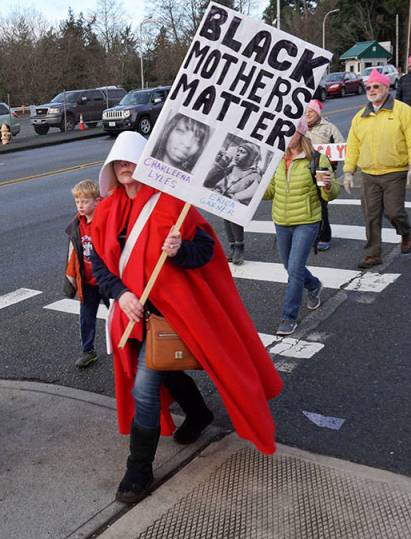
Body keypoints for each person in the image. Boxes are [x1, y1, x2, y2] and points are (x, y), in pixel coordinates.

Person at [88, 132, 281, 504]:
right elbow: (99, 262)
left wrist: (179, 250)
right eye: (119, 162)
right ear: (111, 168)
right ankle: (197, 412)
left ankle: (138, 468)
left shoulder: (173, 204)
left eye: (132, 159)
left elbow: (206, 250)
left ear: (145, 163)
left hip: (171, 312)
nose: (126, 166)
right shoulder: (108, 210)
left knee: (144, 385)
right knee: (163, 369)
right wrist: (121, 294)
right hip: (132, 310)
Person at [342, 68, 411, 269]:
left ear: (386, 87)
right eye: (368, 87)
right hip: (369, 174)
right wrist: (348, 171)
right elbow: (353, 145)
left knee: (394, 212)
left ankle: (405, 232)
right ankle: (372, 254)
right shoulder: (360, 117)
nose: (371, 90)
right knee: (370, 215)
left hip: (394, 172)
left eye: (376, 86)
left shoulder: (403, 111)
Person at [264, 118, 340, 336]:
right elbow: (270, 192)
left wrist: (327, 186)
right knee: (289, 266)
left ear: (300, 133)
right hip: (281, 221)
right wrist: (253, 189)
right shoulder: (277, 159)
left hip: (307, 221)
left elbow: (332, 193)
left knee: (295, 269)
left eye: (290, 131)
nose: (286, 136)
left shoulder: (315, 159)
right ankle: (314, 285)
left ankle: (289, 317)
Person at [64, 179, 108, 369]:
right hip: (87, 280)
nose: (80, 206)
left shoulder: (106, 221)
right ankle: (88, 350)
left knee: (117, 316)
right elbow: (72, 253)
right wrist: (70, 279)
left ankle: (130, 347)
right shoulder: (77, 224)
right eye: (77, 202)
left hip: (107, 280)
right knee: (86, 318)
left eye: (85, 202)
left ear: (97, 201)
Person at [208, 141, 264, 265]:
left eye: (243, 152)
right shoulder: (230, 168)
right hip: (226, 200)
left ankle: (239, 248)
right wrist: (224, 160)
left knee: (234, 220)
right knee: (226, 220)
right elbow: (209, 180)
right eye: (238, 151)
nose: (238, 154)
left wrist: (235, 196)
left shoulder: (254, 174)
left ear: (250, 156)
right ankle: (233, 247)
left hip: (238, 203)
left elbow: (252, 191)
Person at [305, 98, 344, 251]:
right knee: (308, 203)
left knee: (321, 205)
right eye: (306, 111)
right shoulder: (300, 127)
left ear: (318, 112)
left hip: (322, 170)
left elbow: (341, 146)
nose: (308, 114)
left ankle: (324, 236)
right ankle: (309, 236)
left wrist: (332, 162)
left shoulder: (329, 127)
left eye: (311, 111)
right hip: (304, 171)